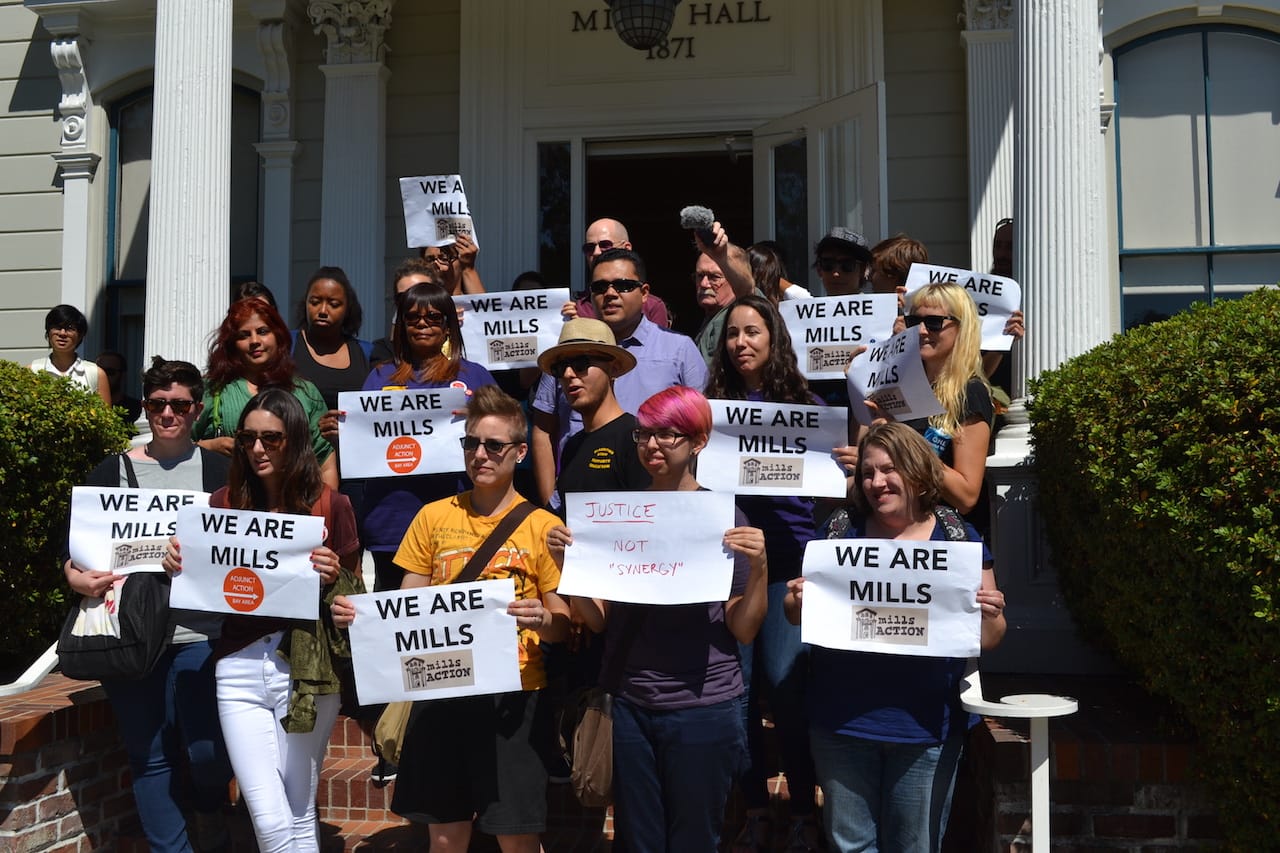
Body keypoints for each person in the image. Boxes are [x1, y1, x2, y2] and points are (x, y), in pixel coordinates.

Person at [333, 385, 571, 853]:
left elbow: (564, 623)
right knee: (444, 835)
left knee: (517, 835)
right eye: (471, 444)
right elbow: (406, 608)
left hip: (514, 696)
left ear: (521, 452)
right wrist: (362, 619)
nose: (480, 455)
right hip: (441, 687)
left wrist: (541, 618)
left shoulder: (543, 526)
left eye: (493, 446)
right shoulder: (431, 516)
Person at [548, 386, 769, 851]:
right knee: (638, 840)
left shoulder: (724, 518)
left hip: (704, 708)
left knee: (693, 839)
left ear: (698, 442)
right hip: (630, 705)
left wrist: (760, 568)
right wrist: (572, 570)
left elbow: (743, 628)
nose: (652, 446)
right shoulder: (620, 516)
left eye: (668, 435)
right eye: (645, 435)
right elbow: (599, 620)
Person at [783, 422, 1006, 853]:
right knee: (851, 846)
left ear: (918, 473)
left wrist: (992, 613)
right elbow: (796, 616)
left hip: (926, 726)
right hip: (841, 722)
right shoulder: (839, 530)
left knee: (915, 846)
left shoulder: (957, 536)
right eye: (867, 472)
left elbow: (989, 637)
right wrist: (797, 599)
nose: (876, 482)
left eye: (889, 469)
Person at [163, 388, 363, 853]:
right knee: (269, 817)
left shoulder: (332, 505)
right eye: (248, 438)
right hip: (237, 667)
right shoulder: (221, 503)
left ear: (294, 440)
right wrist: (177, 560)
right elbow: (202, 576)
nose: (257, 449)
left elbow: (354, 605)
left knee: (297, 809)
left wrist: (335, 578)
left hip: (307, 671)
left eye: (271, 439)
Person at [64, 357, 233, 853]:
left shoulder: (222, 471)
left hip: (202, 632)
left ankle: (208, 810)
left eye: (180, 404)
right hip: (132, 636)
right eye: (157, 404)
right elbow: (72, 554)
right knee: (149, 755)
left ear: (197, 409)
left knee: (206, 754)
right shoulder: (110, 470)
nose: (168, 414)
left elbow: (246, 546)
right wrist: (77, 578)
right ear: (144, 408)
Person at [705, 296, 822, 852]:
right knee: (740, 694)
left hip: (790, 563)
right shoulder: (711, 408)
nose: (741, 342)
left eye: (753, 331)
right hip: (726, 563)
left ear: (774, 338)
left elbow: (835, 488)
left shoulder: (805, 403)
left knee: (786, 685)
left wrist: (845, 464)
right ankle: (754, 808)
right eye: (732, 334)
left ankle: (804, 810)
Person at [531, 247, 707, 507]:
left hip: (658, 505)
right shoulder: (566, 351)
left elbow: (699, 431)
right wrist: (551, 506)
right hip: (577, 492)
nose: (610, 294)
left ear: (644, 293)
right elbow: (543, 428)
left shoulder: (679, 350)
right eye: (600, 287)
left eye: (622, 285)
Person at [361, 282, 497, 593]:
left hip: (461, 522)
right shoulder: (378, 377)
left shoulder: (474, 376)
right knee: (398, 630)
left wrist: (479, 420)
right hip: (393, 522)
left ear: (449, 326)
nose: (422, 324)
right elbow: (365, 445)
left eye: (434, 318)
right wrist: (342, 430)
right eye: (412, 318)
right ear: (402, 326)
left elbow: (512, 435)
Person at [192, 296, 338, 488]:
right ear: (232, 343)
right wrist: (210, 446)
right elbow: (176, 448)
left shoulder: (305, 391)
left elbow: (325, 464)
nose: (254, 341)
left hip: (294, 510)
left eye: (262, 332)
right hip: (230, 508)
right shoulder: (213, 389)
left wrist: (325, 511)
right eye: (244, 335)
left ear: (278, 336)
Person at [892, 283, 995, 517]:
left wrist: (903, 446)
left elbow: (966, 496)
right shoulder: (901, 386)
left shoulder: (971, 392)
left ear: (962, 328)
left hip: (939, 536)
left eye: (934, 323)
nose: (921, 331)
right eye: (913, 322)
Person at [291, 266, 373, 412]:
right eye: (315, 302)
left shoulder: (366, 353)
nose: (323, 311)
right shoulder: (287, 345)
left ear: (348, 309)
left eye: (333, 304)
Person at [573, 218, 670, 327]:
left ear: (626, 248)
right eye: (589, 247)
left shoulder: (652, 307)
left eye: (605, 245)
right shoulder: (577, 309)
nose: (596, 252)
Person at [691, 223, 759, 367]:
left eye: (714, 277)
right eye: (700, 275)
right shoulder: (711, 317)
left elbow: (747, 288)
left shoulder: (747, 307)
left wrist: (722, 257)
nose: (704, 284)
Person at [29, 304, 111, 406]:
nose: (62, 333)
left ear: (80, 335)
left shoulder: (95, 373)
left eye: (70, 328)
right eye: (57, 327)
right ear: (48, 332)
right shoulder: (32, 371)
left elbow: (105, 419)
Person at [369, 258, 442, 367]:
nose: (413, 302)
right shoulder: (383, 354)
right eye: (404, 297)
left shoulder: (457, 347)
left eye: (422, 293)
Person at [812, 226, 872, 298]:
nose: (836, 274)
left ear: (863, 270)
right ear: (819, 269)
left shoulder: (877, 308)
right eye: (828, 264)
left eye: (847, 265)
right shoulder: (809, 308)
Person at [96, 349, 143, 426]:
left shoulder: (136, 409)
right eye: (99, 371)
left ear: (122, 374)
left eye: (109, 372)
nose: (103, 376)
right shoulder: (86, 407)